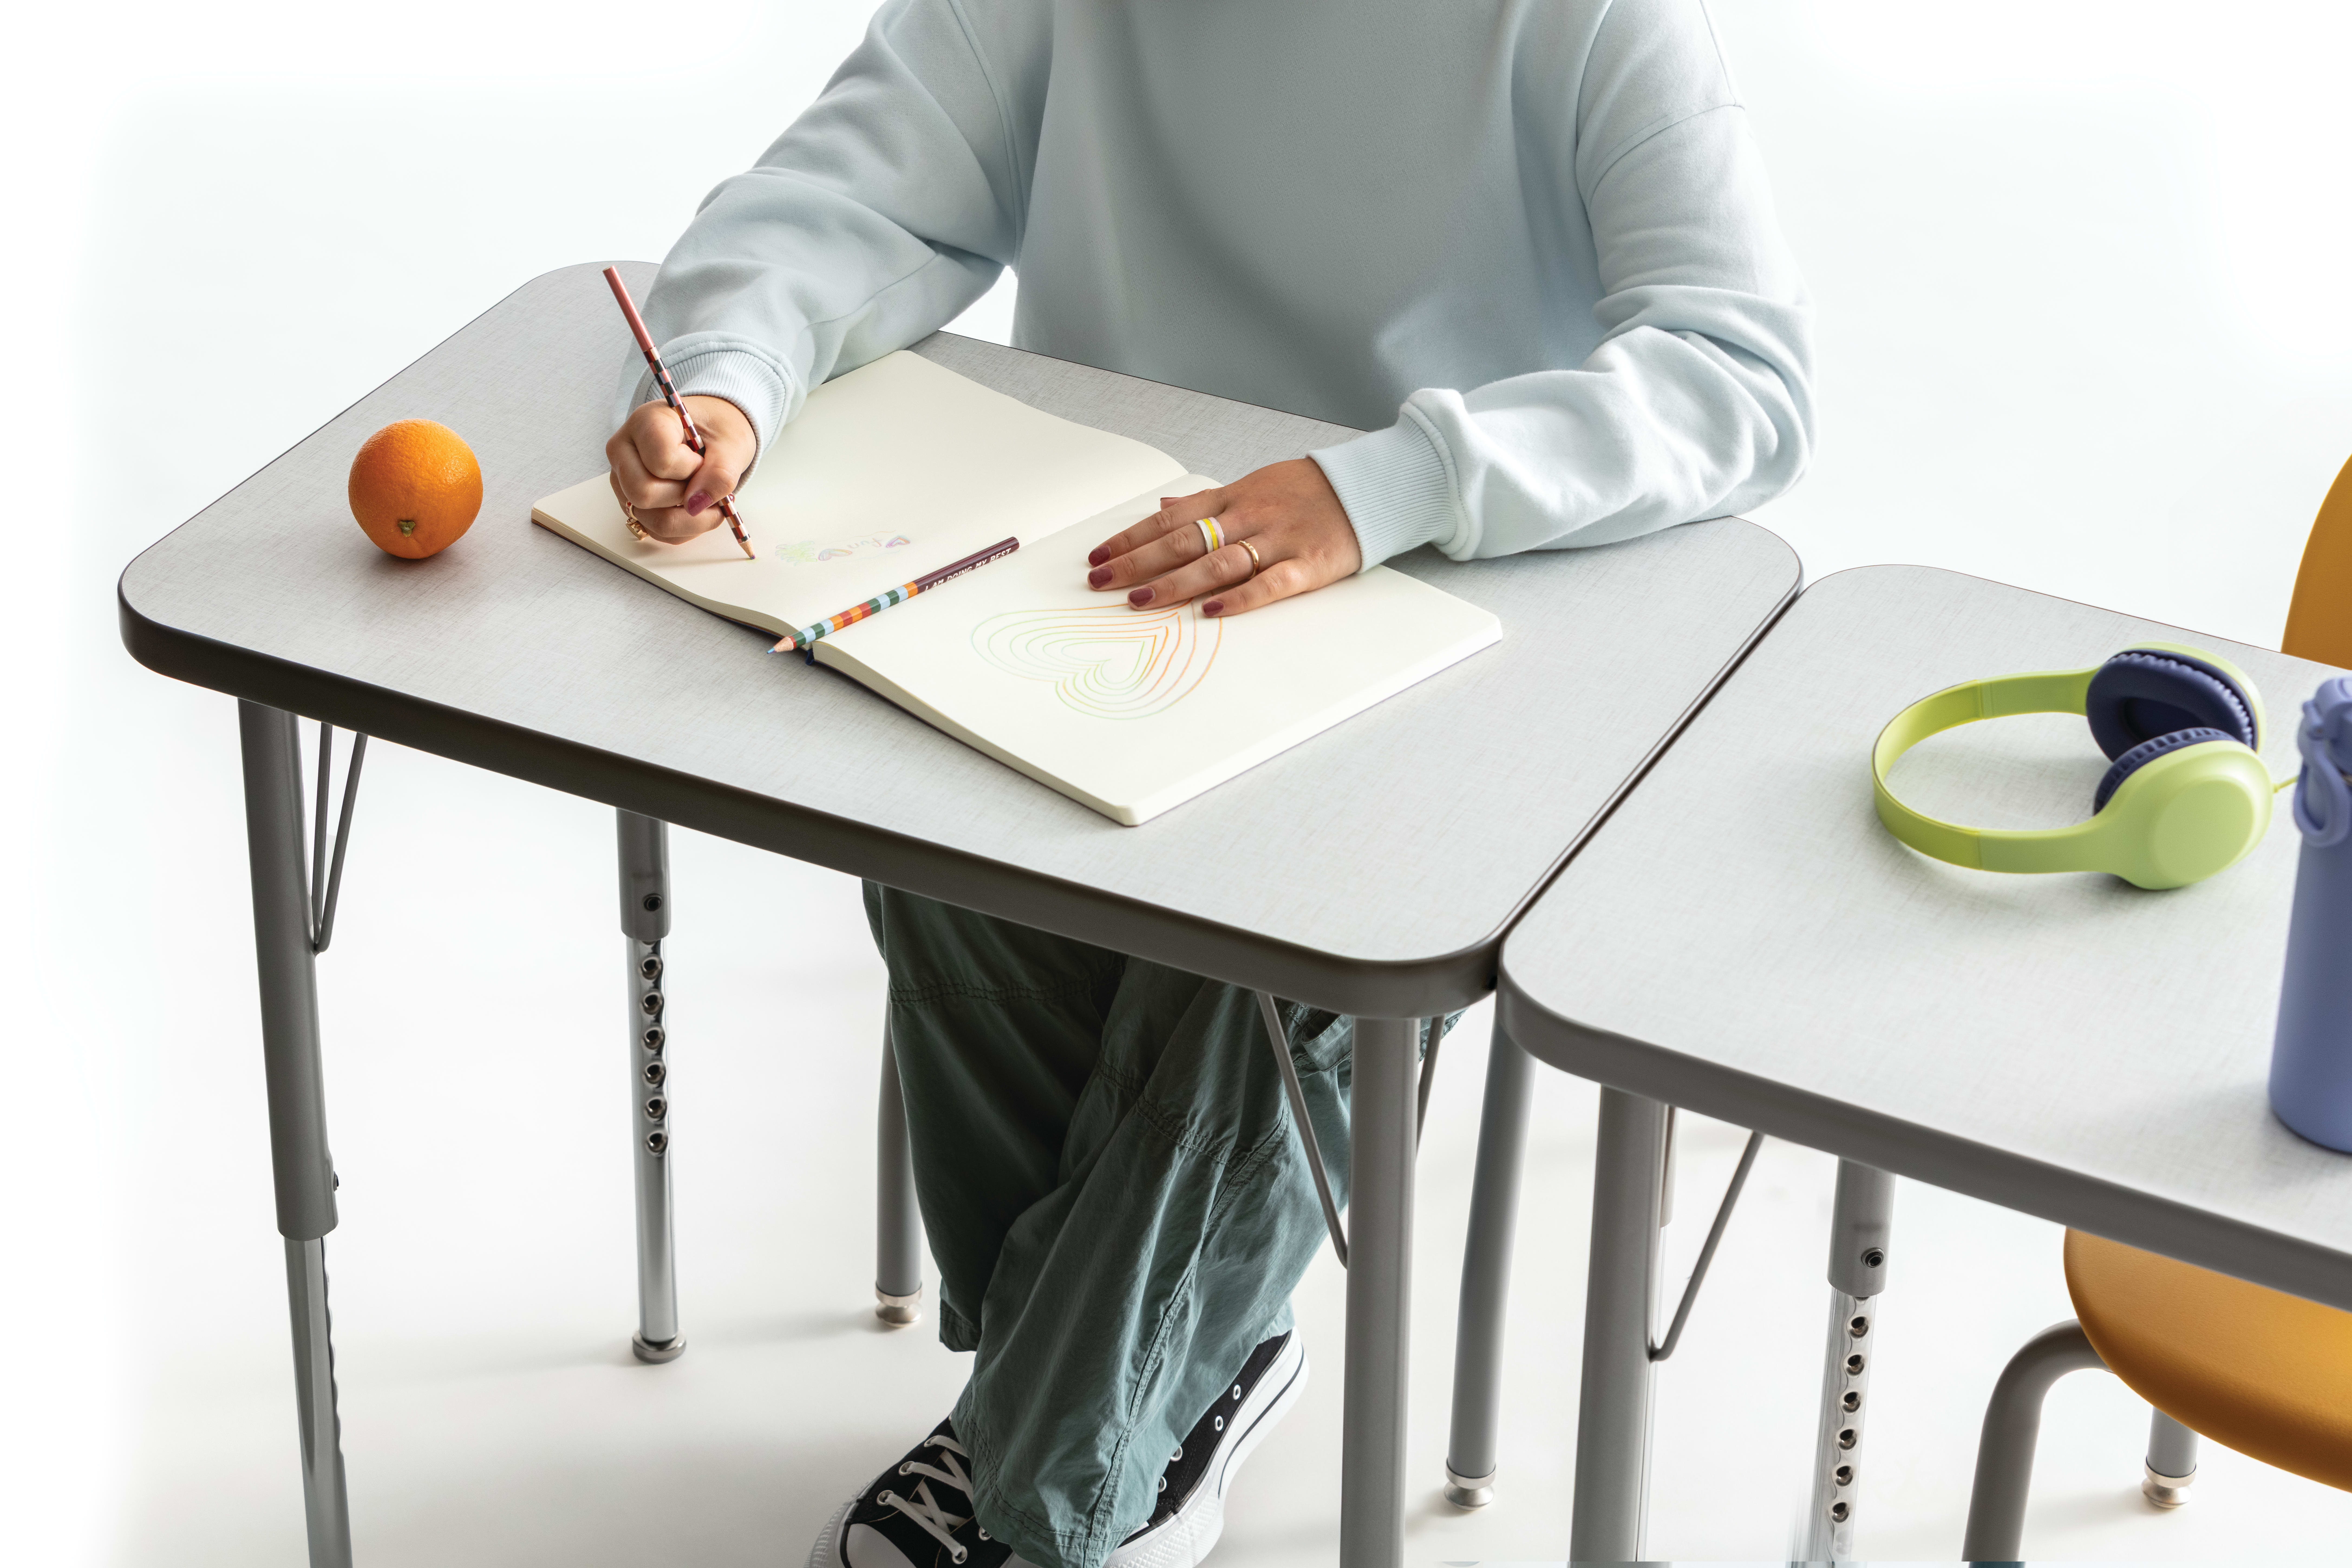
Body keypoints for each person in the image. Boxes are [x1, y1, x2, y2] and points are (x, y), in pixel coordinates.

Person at [604, 3, 1814, 1564]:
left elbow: (1742, 372)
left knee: (1277, 946)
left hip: (1462, 607)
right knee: (934, 843)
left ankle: (1058, 1485)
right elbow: (849, 199)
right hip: (1114, 588)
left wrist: (1387, 486)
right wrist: (731, 379)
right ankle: (1149, 1383)